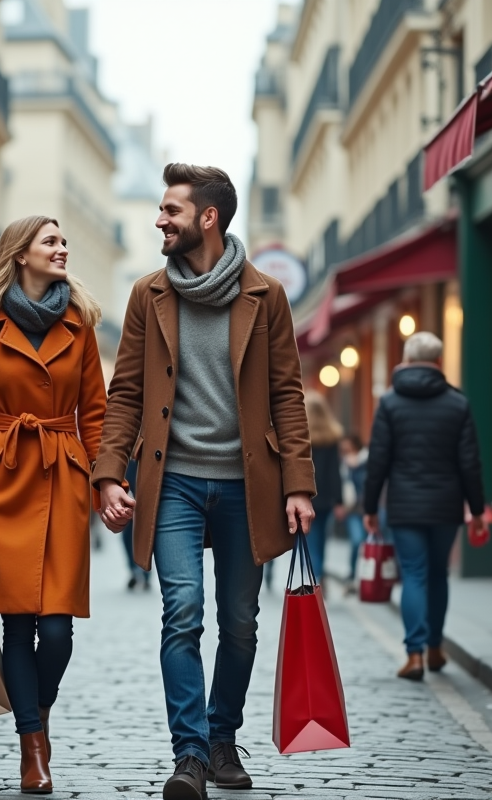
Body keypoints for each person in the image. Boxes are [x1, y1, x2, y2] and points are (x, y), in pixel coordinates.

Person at [93, 164, 316, 800]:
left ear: (208, 218)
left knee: (240, 622)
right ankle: (188, 753)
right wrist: (110, 474)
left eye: (171, 211)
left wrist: (298, 483)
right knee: (182, 611)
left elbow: (287, 395)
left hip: (249, 486)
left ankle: (223, 738)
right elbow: (126, 394)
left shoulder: (265, 295)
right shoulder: (148, 295)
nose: (159, 220)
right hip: (176, 485)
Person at [0, 215, 106, 795]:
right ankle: (33, 746)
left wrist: (107, 481)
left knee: (56, 632)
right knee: (15, 624)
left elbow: (98, 416)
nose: (62, 249)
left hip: (62, 478)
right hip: (1, 482)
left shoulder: (80, 324)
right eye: (51, 241)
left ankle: (39, 708)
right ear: (20, 254)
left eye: (63, 240)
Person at [363, 331, 486, 681]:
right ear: (439, 362)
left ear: (405, 360)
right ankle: (434, 648)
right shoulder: (458, 403)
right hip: (446, 505)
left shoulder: (389, 403)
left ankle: (414, 654)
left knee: (414, 574)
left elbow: (378, 461)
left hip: (404, 506)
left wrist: (369, 507)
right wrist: (477, 511)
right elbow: (470, 464)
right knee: (438, 574)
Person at [303, 392, 342, 582]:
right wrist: (339, 500)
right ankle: (318, 573)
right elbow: (335, 472)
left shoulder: (301, 438)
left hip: (306, 495)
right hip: (326, 498)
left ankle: (314, 575)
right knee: (321, 539)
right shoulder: (332, 438)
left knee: (309, 539)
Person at [339, 434, 370, 590]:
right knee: (356, 541)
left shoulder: (367, 460)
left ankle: (368, 576)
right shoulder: (344, 464)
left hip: (369, 509)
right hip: (353, 510)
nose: (345, 450)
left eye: (348, 447)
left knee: (371, 545)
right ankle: (352, 574)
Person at [122, 459, 150, 590]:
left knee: (145, 528)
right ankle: (134, 569)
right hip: (127, 459)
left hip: (147, 458)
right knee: (128, 526)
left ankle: (145, 570)